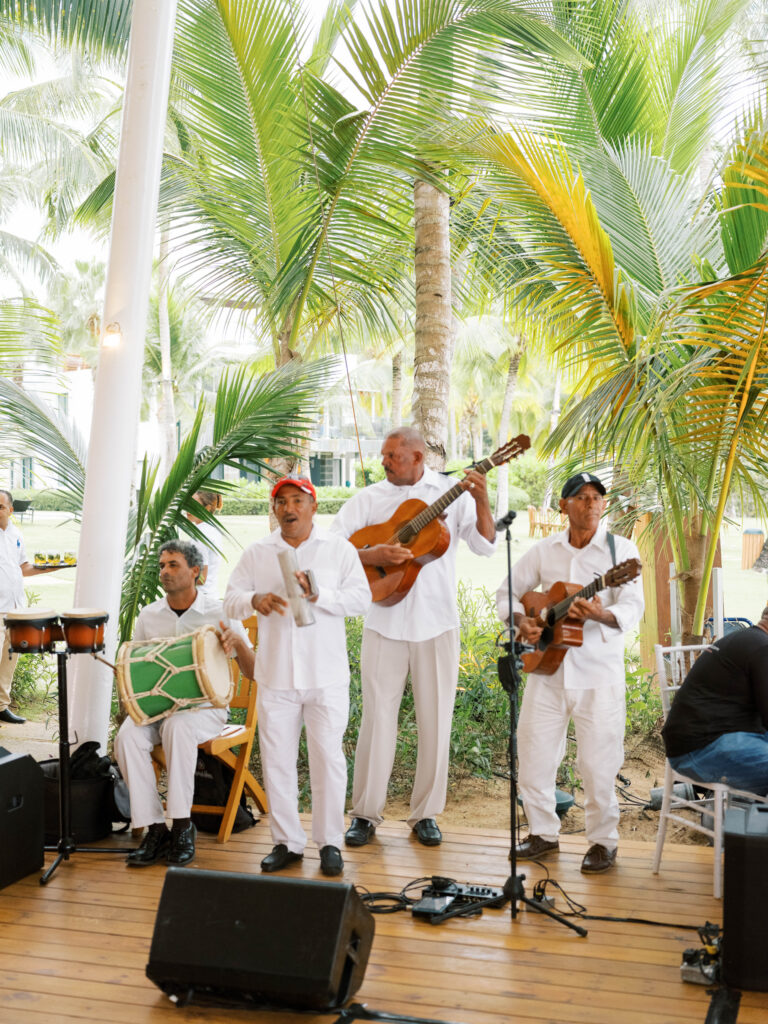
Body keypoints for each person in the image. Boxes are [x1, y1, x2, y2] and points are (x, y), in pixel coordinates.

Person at [330, 427, 496, 848]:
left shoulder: (449, 492)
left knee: (435, 720)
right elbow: (329, 548)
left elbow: (486, 546)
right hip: (383, 622)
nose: (383, 461)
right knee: (376, 719)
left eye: (392, 456)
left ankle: (425, 814)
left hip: (437, 623)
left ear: (418, 456)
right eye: (384, 454)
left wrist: (480, 498)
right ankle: (364, 814)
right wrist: (372, 555)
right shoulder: (367, 500)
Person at [497, 472, 644, 874]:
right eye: (581, 497)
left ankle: (602, 842)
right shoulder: (545, 550)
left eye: (597, 497)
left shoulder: (621, 551)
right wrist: (521, 623)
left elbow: (634, 606)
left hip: (599, 675)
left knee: (598, 764)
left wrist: (601, 612)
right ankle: (543, 833)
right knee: (534, 756)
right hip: (545, 671)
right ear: (564, 505)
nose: (592, 503)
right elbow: (507, 591)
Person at [224, 476, 370, 877]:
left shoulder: (338, 549)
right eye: (282, 502)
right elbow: (230, 599)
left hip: (326, 676)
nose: (289, 509)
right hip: (276, 675)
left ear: (313, 507)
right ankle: (287, 842)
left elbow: (362, 599)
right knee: (278, 762)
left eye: (297, 501)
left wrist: (321, 595)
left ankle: (330, 844)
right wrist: (254, 599)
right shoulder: (258, 553)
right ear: (274, 510)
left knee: (328, 759)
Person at [114, 539, 254, 868]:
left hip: (205, 709)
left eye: (173, 565)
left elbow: (253, 670)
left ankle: (181, 826)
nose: (164, 571)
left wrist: (237, 643)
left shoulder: (220, 612)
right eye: (161, 565)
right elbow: (137, 666)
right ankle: (154, 828)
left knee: (178, 727)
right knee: (127, 736)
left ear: (196, 571)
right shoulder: (149, 615)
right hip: (156, 708)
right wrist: (128, 702)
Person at [661, 608, 768, 793]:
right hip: (701, 750)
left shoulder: (746, 639)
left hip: (707, 741)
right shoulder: (762, 648)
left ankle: (746, 815)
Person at [0, 488, 64, 725]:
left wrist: (50, 568)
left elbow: (22, 567)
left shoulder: (15, 533)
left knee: (8, 660)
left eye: (0, 507)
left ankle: (1, 706)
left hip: (15, 608)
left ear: (10, 510)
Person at [186, 489, 224, 598]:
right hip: (210, 596)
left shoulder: (201, 535)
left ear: (206, 508)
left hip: (200, 601)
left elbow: (201, 577)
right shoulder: (212, 530)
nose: (188, 509)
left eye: (194, 505)